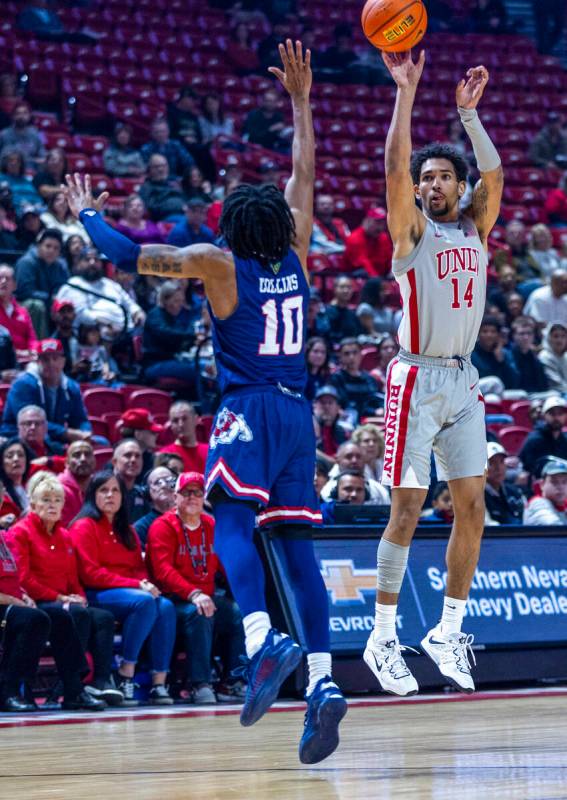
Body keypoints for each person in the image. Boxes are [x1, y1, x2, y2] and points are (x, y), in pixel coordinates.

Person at [66, 41, 346, 764]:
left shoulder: (218, 264)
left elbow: (129, 255)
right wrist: (303, 103)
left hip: (249, 405)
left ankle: (259, 638)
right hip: (299, 415)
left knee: (229, 519)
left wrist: (87, 214)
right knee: (293, 546)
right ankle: (321, 681)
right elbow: (304, 170)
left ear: (230, 228)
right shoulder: (299, 251)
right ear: (279, 227)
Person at [363, 50, 503, 698]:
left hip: (462, 381)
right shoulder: (412, 233)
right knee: (408, 507)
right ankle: (382, 636)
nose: (439, 183)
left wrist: (468, 116)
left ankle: (447, 630)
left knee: (471, 508)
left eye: (449, 175)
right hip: (414, 379)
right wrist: (405, 94)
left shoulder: (474, 229)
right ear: (420, 190)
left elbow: (495, 177)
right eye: (431, 177)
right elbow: (394, 167)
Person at [10, 472, 118, 708]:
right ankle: (73, 686)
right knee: (73, 614)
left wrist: (78, 596)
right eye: (46, 500)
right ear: (33, 504)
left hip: (62, 600)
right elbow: (24, 578)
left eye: (57, 500)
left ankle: (100, 682)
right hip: (36, 601)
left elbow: (72, 577)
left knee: (102, 617)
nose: (52, 505)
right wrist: (59, 598)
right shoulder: (21, 532)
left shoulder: (65, 536)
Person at [71, 471, 176, 706]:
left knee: (166, 606)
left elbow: (138, 569)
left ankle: (159, 683)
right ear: (92, 496)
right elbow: (90, 574)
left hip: (128, 593)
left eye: (115, 490)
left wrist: (144, 583)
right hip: (94, 593)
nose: (110, 495)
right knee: (144, 601)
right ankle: (125, 674)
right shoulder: (83, 526)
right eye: (103, 490)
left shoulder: (126, 530)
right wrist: (138, 585)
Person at [147, 472, 246, 704]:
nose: (192, 497)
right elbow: (163, 571)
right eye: (186, 492)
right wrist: (194, 593)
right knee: (199, 614)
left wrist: (243, 590)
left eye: (197, 493)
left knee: (240, 613)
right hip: (173, 599)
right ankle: (199, 683)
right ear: (175, 496)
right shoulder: (161, 527)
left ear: (204, 498)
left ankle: (232, 681)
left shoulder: (211, 525)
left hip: (206, 596)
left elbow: (226, 565)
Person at [0, 512, 51, 711]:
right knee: (33, 620)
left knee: (62, 618)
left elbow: (12, 578)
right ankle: (9, 691)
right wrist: (12, 599)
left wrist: (23, 594)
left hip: (12, 602)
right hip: (5, 603)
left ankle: (74, 689)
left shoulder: (4, 536)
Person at [1, 338, 92, 446]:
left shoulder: (71, 387)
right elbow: (31, 423)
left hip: (54, 437)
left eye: (55, 358)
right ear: (37, 362)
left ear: (63, 361)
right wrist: (67, 433)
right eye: (45, 359)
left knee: (100, 442)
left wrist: (85, 433)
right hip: (19, 437)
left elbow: (81, 419)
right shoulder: (23, 385)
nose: (51, 364)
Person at [55, 246, 145, 338]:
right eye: (87, 259)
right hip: (96, 334)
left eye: (96, 260)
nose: (92, 263)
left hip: (127, 330)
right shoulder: (73, 284)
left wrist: (137, 312)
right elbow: (80, 313)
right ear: (79, 264)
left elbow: (129, 303)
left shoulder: (110, 284)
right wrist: (106, 323)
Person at [141, 280, 197, 389]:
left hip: (172, 360)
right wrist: (192, 335)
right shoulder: (155, 315)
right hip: (155, 364)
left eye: (181, 301)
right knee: (198, 369)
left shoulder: (173, 318)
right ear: (165, 300)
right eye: (176, 301)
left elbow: (182, 338)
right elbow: (166, 333)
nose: (180, 305)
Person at [14, 228, 68, 337]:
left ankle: (66, 350)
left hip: (50, 303)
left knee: (68, 308)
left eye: (56, 248)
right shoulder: (26, 262)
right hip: (24, 305)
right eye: (48, 246)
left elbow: (62, 288)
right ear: (39, 246)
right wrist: (51, 299)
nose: (51, 250)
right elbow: (24, 292)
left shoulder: (59, 266)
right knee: (36, 306)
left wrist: (59, 303)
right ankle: (40, 348)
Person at [329, 338, 383, 422]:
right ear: (340, 357)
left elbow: (375, 399)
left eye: (355, 353)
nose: (351, 357)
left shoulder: (370, 379)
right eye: (347, 354)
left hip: (371, 420)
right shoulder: (336, 378)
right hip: (347, 421)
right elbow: (345, 404)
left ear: (361, 355)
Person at [320, 442, 390, 504]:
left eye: (358, 457)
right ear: (337, 460)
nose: (354, 460)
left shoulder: (379, 490)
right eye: (349, 457)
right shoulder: (326, 491)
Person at [519, 396, 567, 477]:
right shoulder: (534, 439)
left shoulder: (565, 439)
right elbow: (529, 469)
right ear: (544, 415)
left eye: (560, 414)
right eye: (552, 414)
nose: (556, 418)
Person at [0, 262, 37, 364]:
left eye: (7, 279)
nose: (3, 281)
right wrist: (17, 353)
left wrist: (32, 352)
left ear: (15, 285)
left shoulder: (23, 312)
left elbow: (32, 339)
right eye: (0, 278)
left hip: (26, 361)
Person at [158, 401, 209, 473]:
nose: (180, 424)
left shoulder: (210, 452)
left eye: (184, 419)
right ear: (171, 425)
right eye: (175, 420)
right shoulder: (164, 455)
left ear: (196, 420)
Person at [344, 207, 394, 277]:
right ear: (366, 221)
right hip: (358, 277)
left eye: (383, 224)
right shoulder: (354, 238)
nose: (380, 227)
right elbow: (364, 264)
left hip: (380, 275)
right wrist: (380, 282)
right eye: (377, 223)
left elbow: (389, 259)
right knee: (363, 273)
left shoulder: (383, 237)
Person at [472, 316, 519, 389]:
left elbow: (514, 382)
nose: (489, 335)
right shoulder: (471, 354)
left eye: (493, 332)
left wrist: (501, 362)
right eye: (485, 331)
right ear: (478, 334)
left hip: (502, 393)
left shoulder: (505, 353)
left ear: (498, 335)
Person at [134, 466, 176, 548]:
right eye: (157, 482)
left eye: (169, 480)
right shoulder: (140, 528)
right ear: (147, 492)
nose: (164, 485)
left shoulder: (188, 519)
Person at [484, 442, 524, 525]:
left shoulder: (515, 491)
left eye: (501, 461)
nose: (498, 468)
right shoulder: (477, 496)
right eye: (492, 463)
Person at [138, 154, 187, 222]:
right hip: (165, 218)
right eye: (156, 167)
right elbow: (151, 208)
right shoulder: (146, 187)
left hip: (185, 215)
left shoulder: (174, 183)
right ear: (150, 169)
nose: (161, 169)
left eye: (164, 166)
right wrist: (179, 207)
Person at [60, 440, 96, 527]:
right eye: (76, 455)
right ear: (66, 463)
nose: (83, 459)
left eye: (87, 454)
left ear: (95, 461)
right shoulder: (58, 489)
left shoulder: (100, 487)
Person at [118, 408, 164, 478]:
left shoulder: (154, 460)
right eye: (152, 432)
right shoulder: (117, 462)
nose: (156, 435)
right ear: (138, 435)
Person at [112, 439, 149, 523]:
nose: (133, 460)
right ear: (114, 462)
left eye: (137, 456)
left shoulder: (143, 494)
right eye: (127, 455)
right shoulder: (103, 492)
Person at [508, 317, 549, 393]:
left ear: (533, 336)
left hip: (536, 395)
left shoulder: (536, 358)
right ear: (514, 336)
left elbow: (543, 386)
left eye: (529, 333)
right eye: (522, 333)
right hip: (515, 395)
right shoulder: (507, 356)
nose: (526, 337)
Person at [0, 102, 45, 170]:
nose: (21, 116)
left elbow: (43, 158)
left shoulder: (37, 134)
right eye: (18, 113)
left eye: (25, 113)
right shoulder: (3, 134)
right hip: (7, 173)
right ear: (13, 116)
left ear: (29, 116)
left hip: (30, 173)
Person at [523, 458, 567, 524]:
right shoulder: (537, 503)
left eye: (564, 482)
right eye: (554, 482)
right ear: (542, 485)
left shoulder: (562, 507)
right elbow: (554, 525)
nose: (560, 487)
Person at [313, 385, 353, 457]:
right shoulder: (307, 429)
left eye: (330, 403)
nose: (326, 406)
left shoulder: (344, 431)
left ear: (338, 408)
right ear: (314, 406)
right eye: (322, 402)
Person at [0, 149, 42, 213]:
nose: (14, 163)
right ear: (5, 163)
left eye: (17, 161)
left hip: (34, 209)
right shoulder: (1, 178)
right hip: (14, 211)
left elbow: (36, 197)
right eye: (10, 160)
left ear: (21, 164)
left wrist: (36, 205)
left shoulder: (27, 180)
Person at [0, 437, 31, 524]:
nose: (16, 459)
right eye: (10, 456)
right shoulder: (1, 493)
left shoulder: (31, 487)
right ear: (2, 463)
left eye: (21, 455)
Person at [327, 275, 362, 345]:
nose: (346, 290)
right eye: (342, 287)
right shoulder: (327, 312)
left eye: (349, 287)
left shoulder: (352, 314)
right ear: (335, 289)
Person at [538, 321, 567, 392]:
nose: (559, 340)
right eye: (556, 336)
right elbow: (557, 384)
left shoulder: (565, 356)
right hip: (553, 396)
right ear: (548, 338)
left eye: (563, 336)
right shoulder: (545, 356)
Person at [305, 336, 331, 403]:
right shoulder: (300, 376)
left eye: (323, 352)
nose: (319, 355)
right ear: (307, 353)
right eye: (315, 351)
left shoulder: (325, 377)